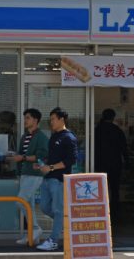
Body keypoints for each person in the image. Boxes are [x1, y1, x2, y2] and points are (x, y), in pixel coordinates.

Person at [35, 107, 78, 252]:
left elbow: (71, 160)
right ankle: (69, 224)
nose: (51, 122)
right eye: (50, 119)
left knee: (58, 210)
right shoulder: (54, 136)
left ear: (61, 119)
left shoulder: (69, 137)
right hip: (48, 178)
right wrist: (43, 164)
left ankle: (53, 240)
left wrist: (51, 168)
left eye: (53, 119)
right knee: (44, 207)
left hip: (59, 179)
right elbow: (52, 157)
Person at [8, 108, 49, 245]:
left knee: (21, 202)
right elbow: (21, 155)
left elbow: (42, 156)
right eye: (25, 118)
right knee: (29, 205)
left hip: (35, 173)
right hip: (24, 173)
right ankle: (33, 236)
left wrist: (23, 157)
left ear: (36, 120)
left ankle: (36, 229)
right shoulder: (24, 136)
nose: (25, 120)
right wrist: (16, 157)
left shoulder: (41, 137)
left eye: (28, 118)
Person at [95, 108, 129, 220]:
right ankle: (114, 214)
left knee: (100, 189)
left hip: (100, 164)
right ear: (113, 118)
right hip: (115, 164)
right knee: (115, 189)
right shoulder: (117, 130)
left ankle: (100, 212)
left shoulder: (97, 130)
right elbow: (124, 148)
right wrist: (127, 163)